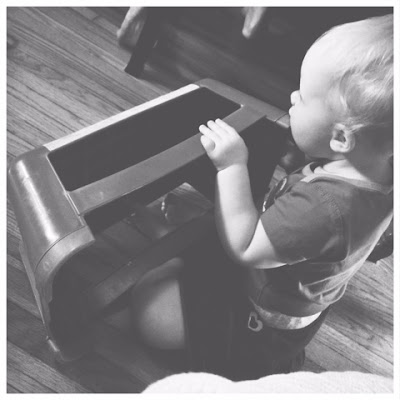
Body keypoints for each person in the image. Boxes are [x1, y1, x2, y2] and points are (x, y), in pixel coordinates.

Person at [129, 14, 393, 380]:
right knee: (195, 248)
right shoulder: (382, 171)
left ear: (341, 139)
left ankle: (241, 359)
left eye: (303, 97)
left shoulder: (325, 209)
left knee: (152, 315)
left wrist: (232, 166)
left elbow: (246, 246)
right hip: (286, 281)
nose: (292, 98)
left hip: (257, 315)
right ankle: (185, 254)